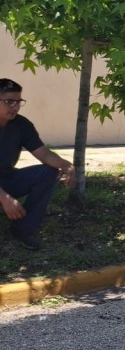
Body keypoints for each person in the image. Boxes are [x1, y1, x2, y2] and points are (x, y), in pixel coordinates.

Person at [0, 78, 75, 250]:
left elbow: (44, 154)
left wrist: (66, 165)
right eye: (9, 101)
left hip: (7, 179)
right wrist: (4, 197)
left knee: (48, 172)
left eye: (18, 102)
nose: (15, 106)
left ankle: (23, 230)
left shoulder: (21, 125)